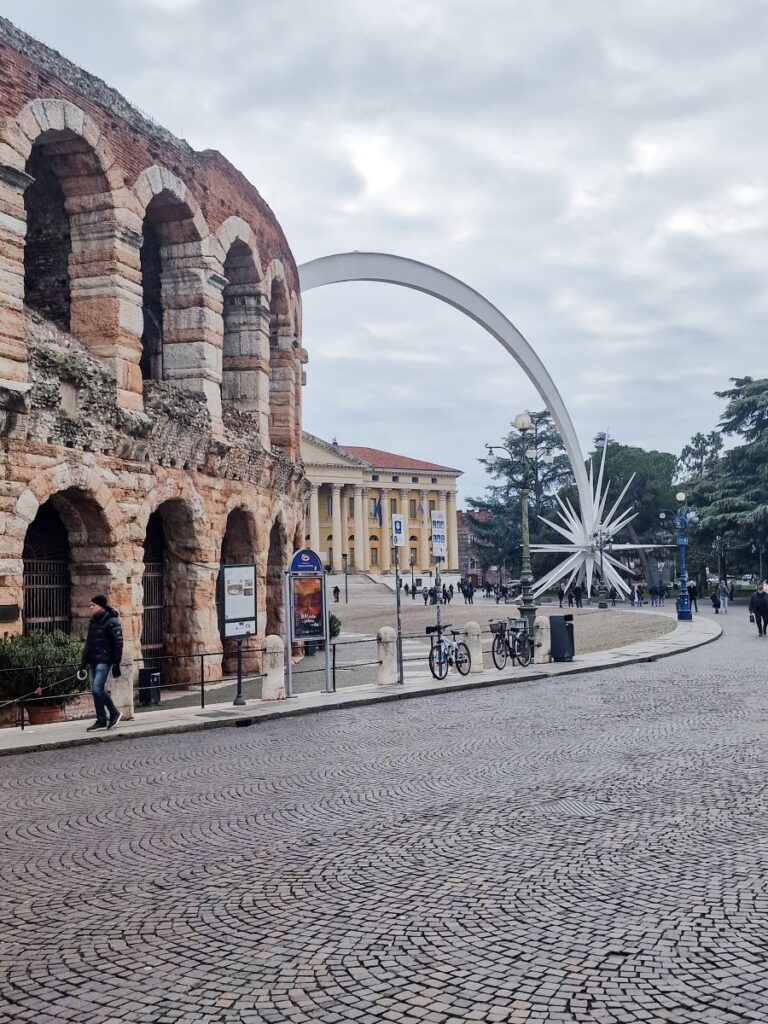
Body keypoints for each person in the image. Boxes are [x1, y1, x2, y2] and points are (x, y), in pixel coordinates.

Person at [81, 595, 123, 732]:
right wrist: (82, 663)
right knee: (95, 690)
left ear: (101, 606)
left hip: (104, 661)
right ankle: (101, 720)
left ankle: (114, 712)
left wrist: (116, 663)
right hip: (93, 660)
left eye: (93, 605)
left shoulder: (112, 621)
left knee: (97, 689)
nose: (91, 607)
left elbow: (118, 643)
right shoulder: (93, 621)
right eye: (90, 605)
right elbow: (89, 643)